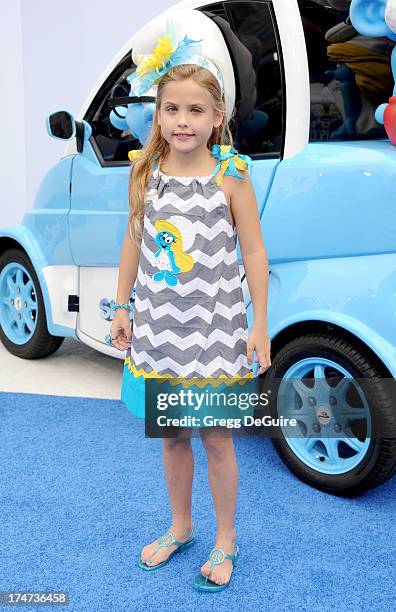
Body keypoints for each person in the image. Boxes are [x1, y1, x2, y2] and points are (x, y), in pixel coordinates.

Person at [108, 29, 271, 592]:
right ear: (157, 115)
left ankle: (225, 540)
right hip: (158, 330)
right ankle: (181, 526)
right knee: (173, 437)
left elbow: (253, 250)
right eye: (170, 108)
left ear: (217, 115)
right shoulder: (144, 172)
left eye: (195, 110)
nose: (182, 120)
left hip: (218, 331)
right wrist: (123, 306)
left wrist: (260, 323)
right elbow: (134, 240)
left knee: (217, 439)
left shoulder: (233, 175)